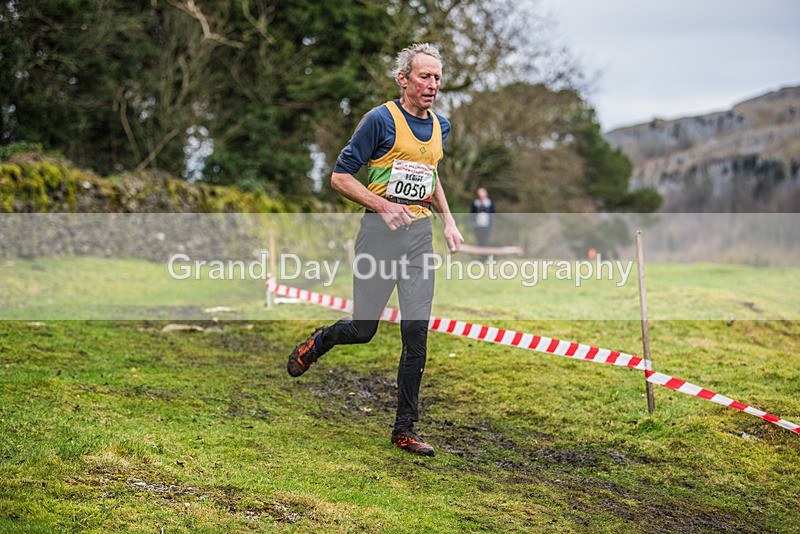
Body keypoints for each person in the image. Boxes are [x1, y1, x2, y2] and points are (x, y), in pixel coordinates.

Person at [286, 43, 463, 457]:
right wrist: (382, 205)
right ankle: (320, 341)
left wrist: (448, 221)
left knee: (416, 332)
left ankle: (405, 429)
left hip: (418, 239)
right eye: (424, 76)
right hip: (378, 237)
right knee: (363, 329)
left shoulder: (442, 126)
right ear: (403, 79)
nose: (432, 85)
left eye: (437, 78)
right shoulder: (379, 120)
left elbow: (431, 174)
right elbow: (340, 177)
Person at [470, 187, 495, 261]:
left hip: (487, 226)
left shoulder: (490, 203)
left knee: (486, 241)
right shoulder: (475, 203)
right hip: (477, 226)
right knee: (479, 242)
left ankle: (487, 257)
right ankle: (481, 257)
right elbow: (472, 214)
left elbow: (493, 214)